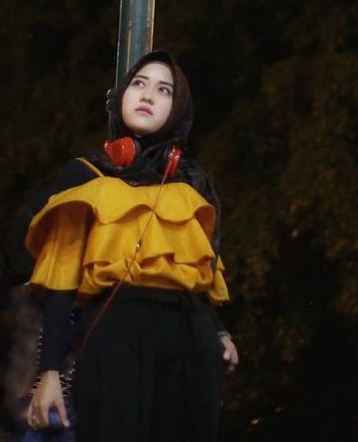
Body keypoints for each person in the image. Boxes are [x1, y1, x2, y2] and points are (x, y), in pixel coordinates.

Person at [23, 50, 238, 442]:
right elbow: (60, 277)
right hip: (114, 331)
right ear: (120, 96)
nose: (148, 95)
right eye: (138, 84)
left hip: (189, 337)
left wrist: (218, 333)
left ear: (178, 110)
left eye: (164, 90)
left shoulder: (190, 182)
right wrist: (49, 371)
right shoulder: (86, 174)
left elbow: (198, 273)